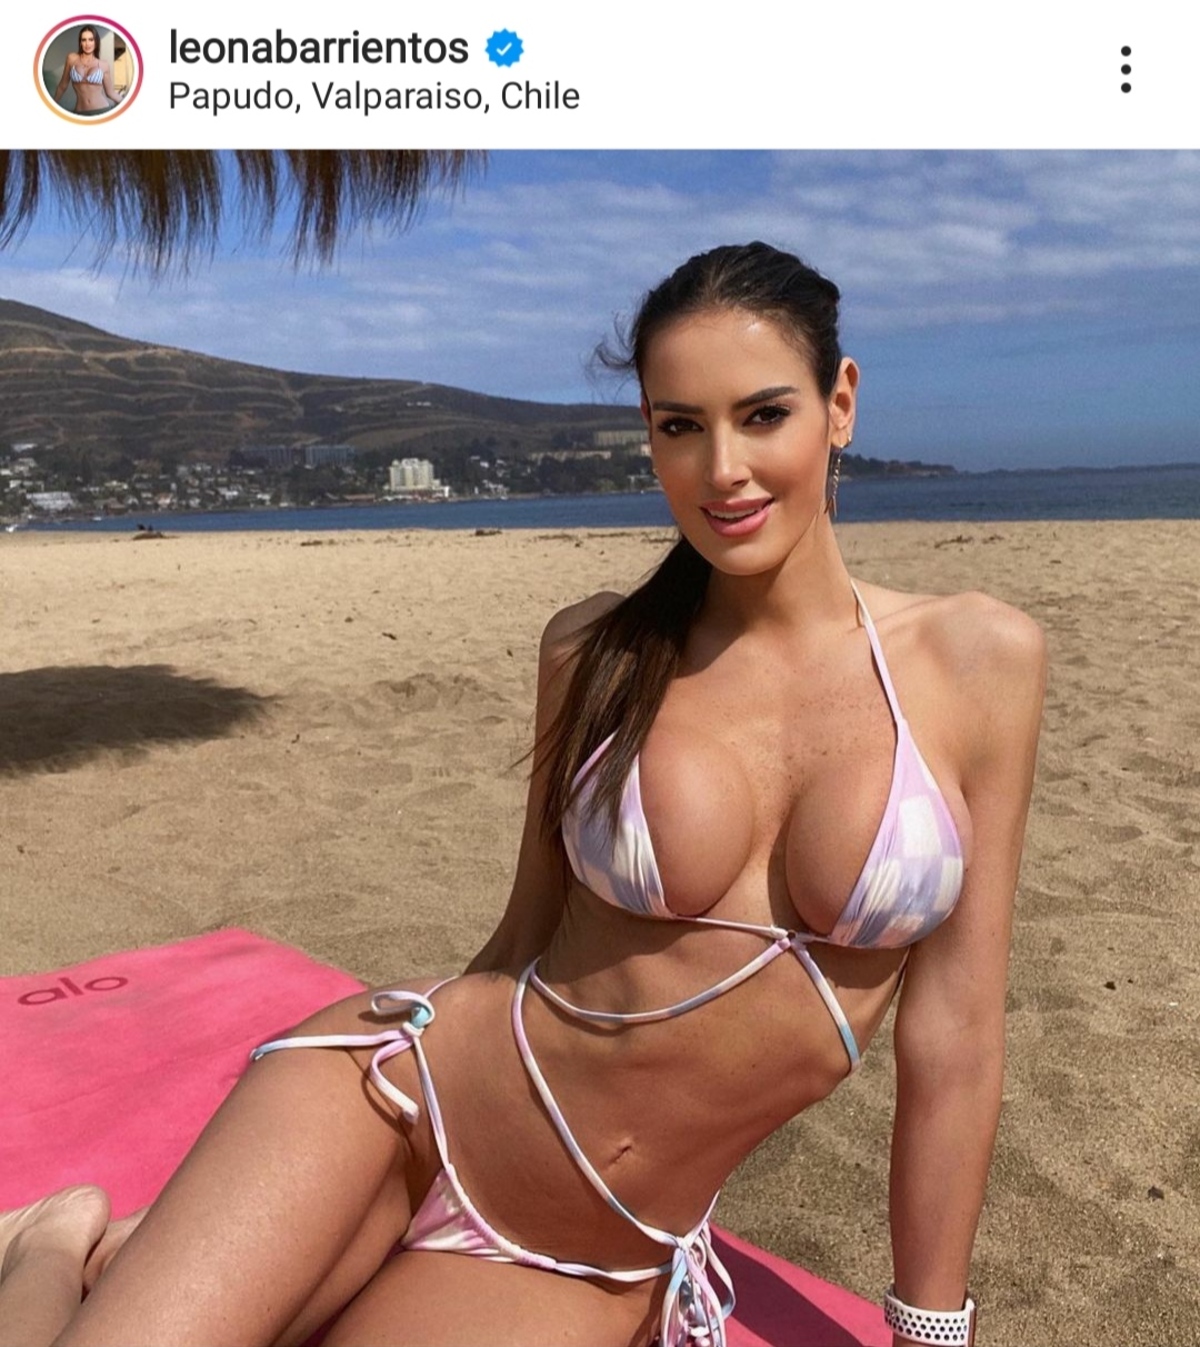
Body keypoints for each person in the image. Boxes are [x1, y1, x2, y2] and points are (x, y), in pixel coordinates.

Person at [0, 243, 1045, 1347]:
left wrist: (932, 1332)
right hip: (403, 1093)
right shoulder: (597, 652)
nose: (722, 468)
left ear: (840, 404)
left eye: (763, 415)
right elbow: (520, 940)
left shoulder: (977, 662)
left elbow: (955, 1035)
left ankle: (112, 1250)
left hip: (588, 1253)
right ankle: (56, 1241)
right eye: (680, 426)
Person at [52, 27, 119, 118]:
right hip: (80, 112)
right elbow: (62, 86)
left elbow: (110, 93)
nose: (87, 44)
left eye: (91, 40)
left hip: (102, 111)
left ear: (96, 42)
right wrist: (51, 105)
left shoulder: (104, 64)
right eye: (84, 40)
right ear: (80, 42)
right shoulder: (71, 58)